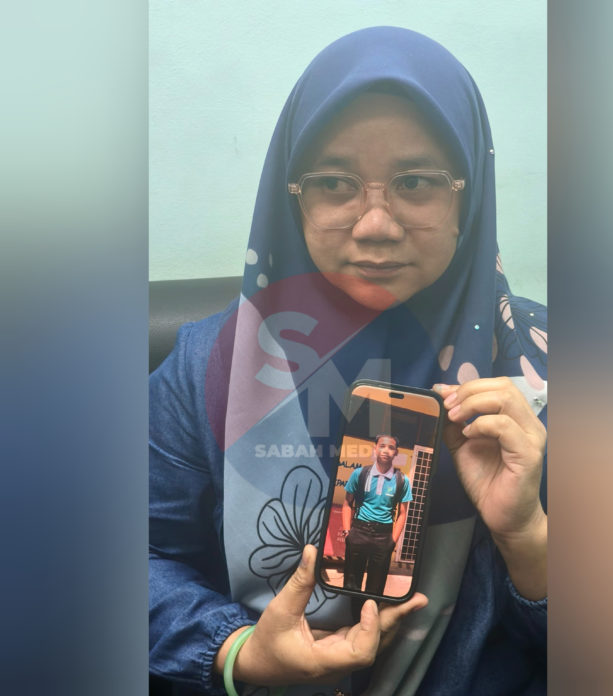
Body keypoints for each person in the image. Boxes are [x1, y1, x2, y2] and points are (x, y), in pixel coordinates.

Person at [150, 27, 547, 696]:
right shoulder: (207, 367)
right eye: (334, 183)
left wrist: (529, 537)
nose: (375, 226)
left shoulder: (542, 370)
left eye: (416, 182)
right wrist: (235, 651)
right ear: (292, 196)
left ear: (469, 194)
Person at [341, 435, 412, 595]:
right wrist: (347, 532)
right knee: (351, 585)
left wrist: (392, 541)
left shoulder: (402, 480)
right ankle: (352, 610)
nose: (386, 450)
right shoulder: (359, 474)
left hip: (384, 536)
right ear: (375, 449)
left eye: (391, 448)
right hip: (358, 531)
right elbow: (347, 504)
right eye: (382, 446)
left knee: (376, 588)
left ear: (396, 453)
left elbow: (402, 514)